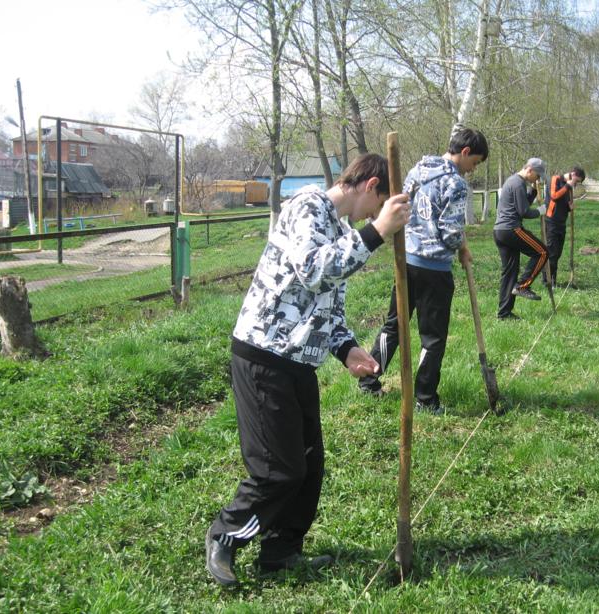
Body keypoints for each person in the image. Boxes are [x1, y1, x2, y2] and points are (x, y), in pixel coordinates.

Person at [205, 154, 411, 586]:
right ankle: (226, 533)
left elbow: (327, 308)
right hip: (264, 354)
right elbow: (314, 270)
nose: (373, 216)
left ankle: (280, 552)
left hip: (299, 362)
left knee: (308, 466)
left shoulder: (338, 228)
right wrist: (376, 232)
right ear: (370, 184)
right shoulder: (306, 206)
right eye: (375, 206)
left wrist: (348, 349)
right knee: (278, 470)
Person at [357, 128, 488, 415]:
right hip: (434, 269)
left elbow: (405, 207)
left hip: (406, 261)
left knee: (394, 324)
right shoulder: (455, 183)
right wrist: (460, 245)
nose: (473, 169)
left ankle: (368, 380)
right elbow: (451, 232)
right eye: (475, 162)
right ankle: (426, 399)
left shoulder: (419, 168)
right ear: (465, 153)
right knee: (433, 337)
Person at [493, 158, 549, 320]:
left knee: (509, 273)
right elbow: (524, 211)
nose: (538, 179)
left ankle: (504, 313)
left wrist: (532, 192)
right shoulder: (517, 183)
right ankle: (523, 286)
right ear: (530, 169)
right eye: (537, 176)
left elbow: (521, 204)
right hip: (511, 229)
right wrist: (541, 211)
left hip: (500, 231)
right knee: (543, 252)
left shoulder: (514, 181)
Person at [543, 166, 585, 287]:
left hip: (561, 222)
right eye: (577, 181)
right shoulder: (555, 179)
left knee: (557, 253)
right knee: (551, 252)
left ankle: (552, 280)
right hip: (551, 221)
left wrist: (569, 207)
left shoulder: (569, 188)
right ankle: (549, 281)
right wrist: (568, 185)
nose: (576, 184)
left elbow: (563, 203)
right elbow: (554, 196)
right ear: (573, 174)